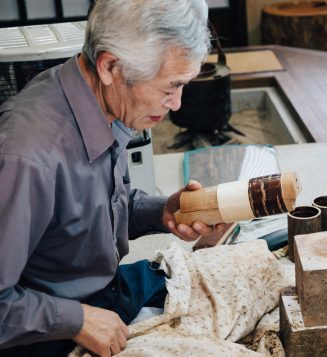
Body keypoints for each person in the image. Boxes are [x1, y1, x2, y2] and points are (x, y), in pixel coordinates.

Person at [0, 0, 223, 356]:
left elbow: (88, 211)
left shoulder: (97, 100)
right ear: (110, 66)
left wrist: (163, 211)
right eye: (170, 87)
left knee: (227, 282)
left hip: (102, 291)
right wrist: (77, 320)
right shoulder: (27, 155)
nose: (177, 103)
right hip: (44, 330)